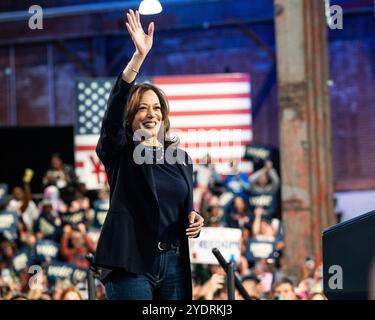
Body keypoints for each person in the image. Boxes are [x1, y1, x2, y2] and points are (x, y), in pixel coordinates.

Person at [93, 9, 204, 300]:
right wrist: (138, 59)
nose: (150, 113)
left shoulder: (182, 160)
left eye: (156, 108)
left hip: (174, 265)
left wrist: (193, 218)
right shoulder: (120, 151)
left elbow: (180, 210)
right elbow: (113, 114)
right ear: (131, 118)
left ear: (164, 117)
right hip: (130, 263)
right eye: (142, 107)